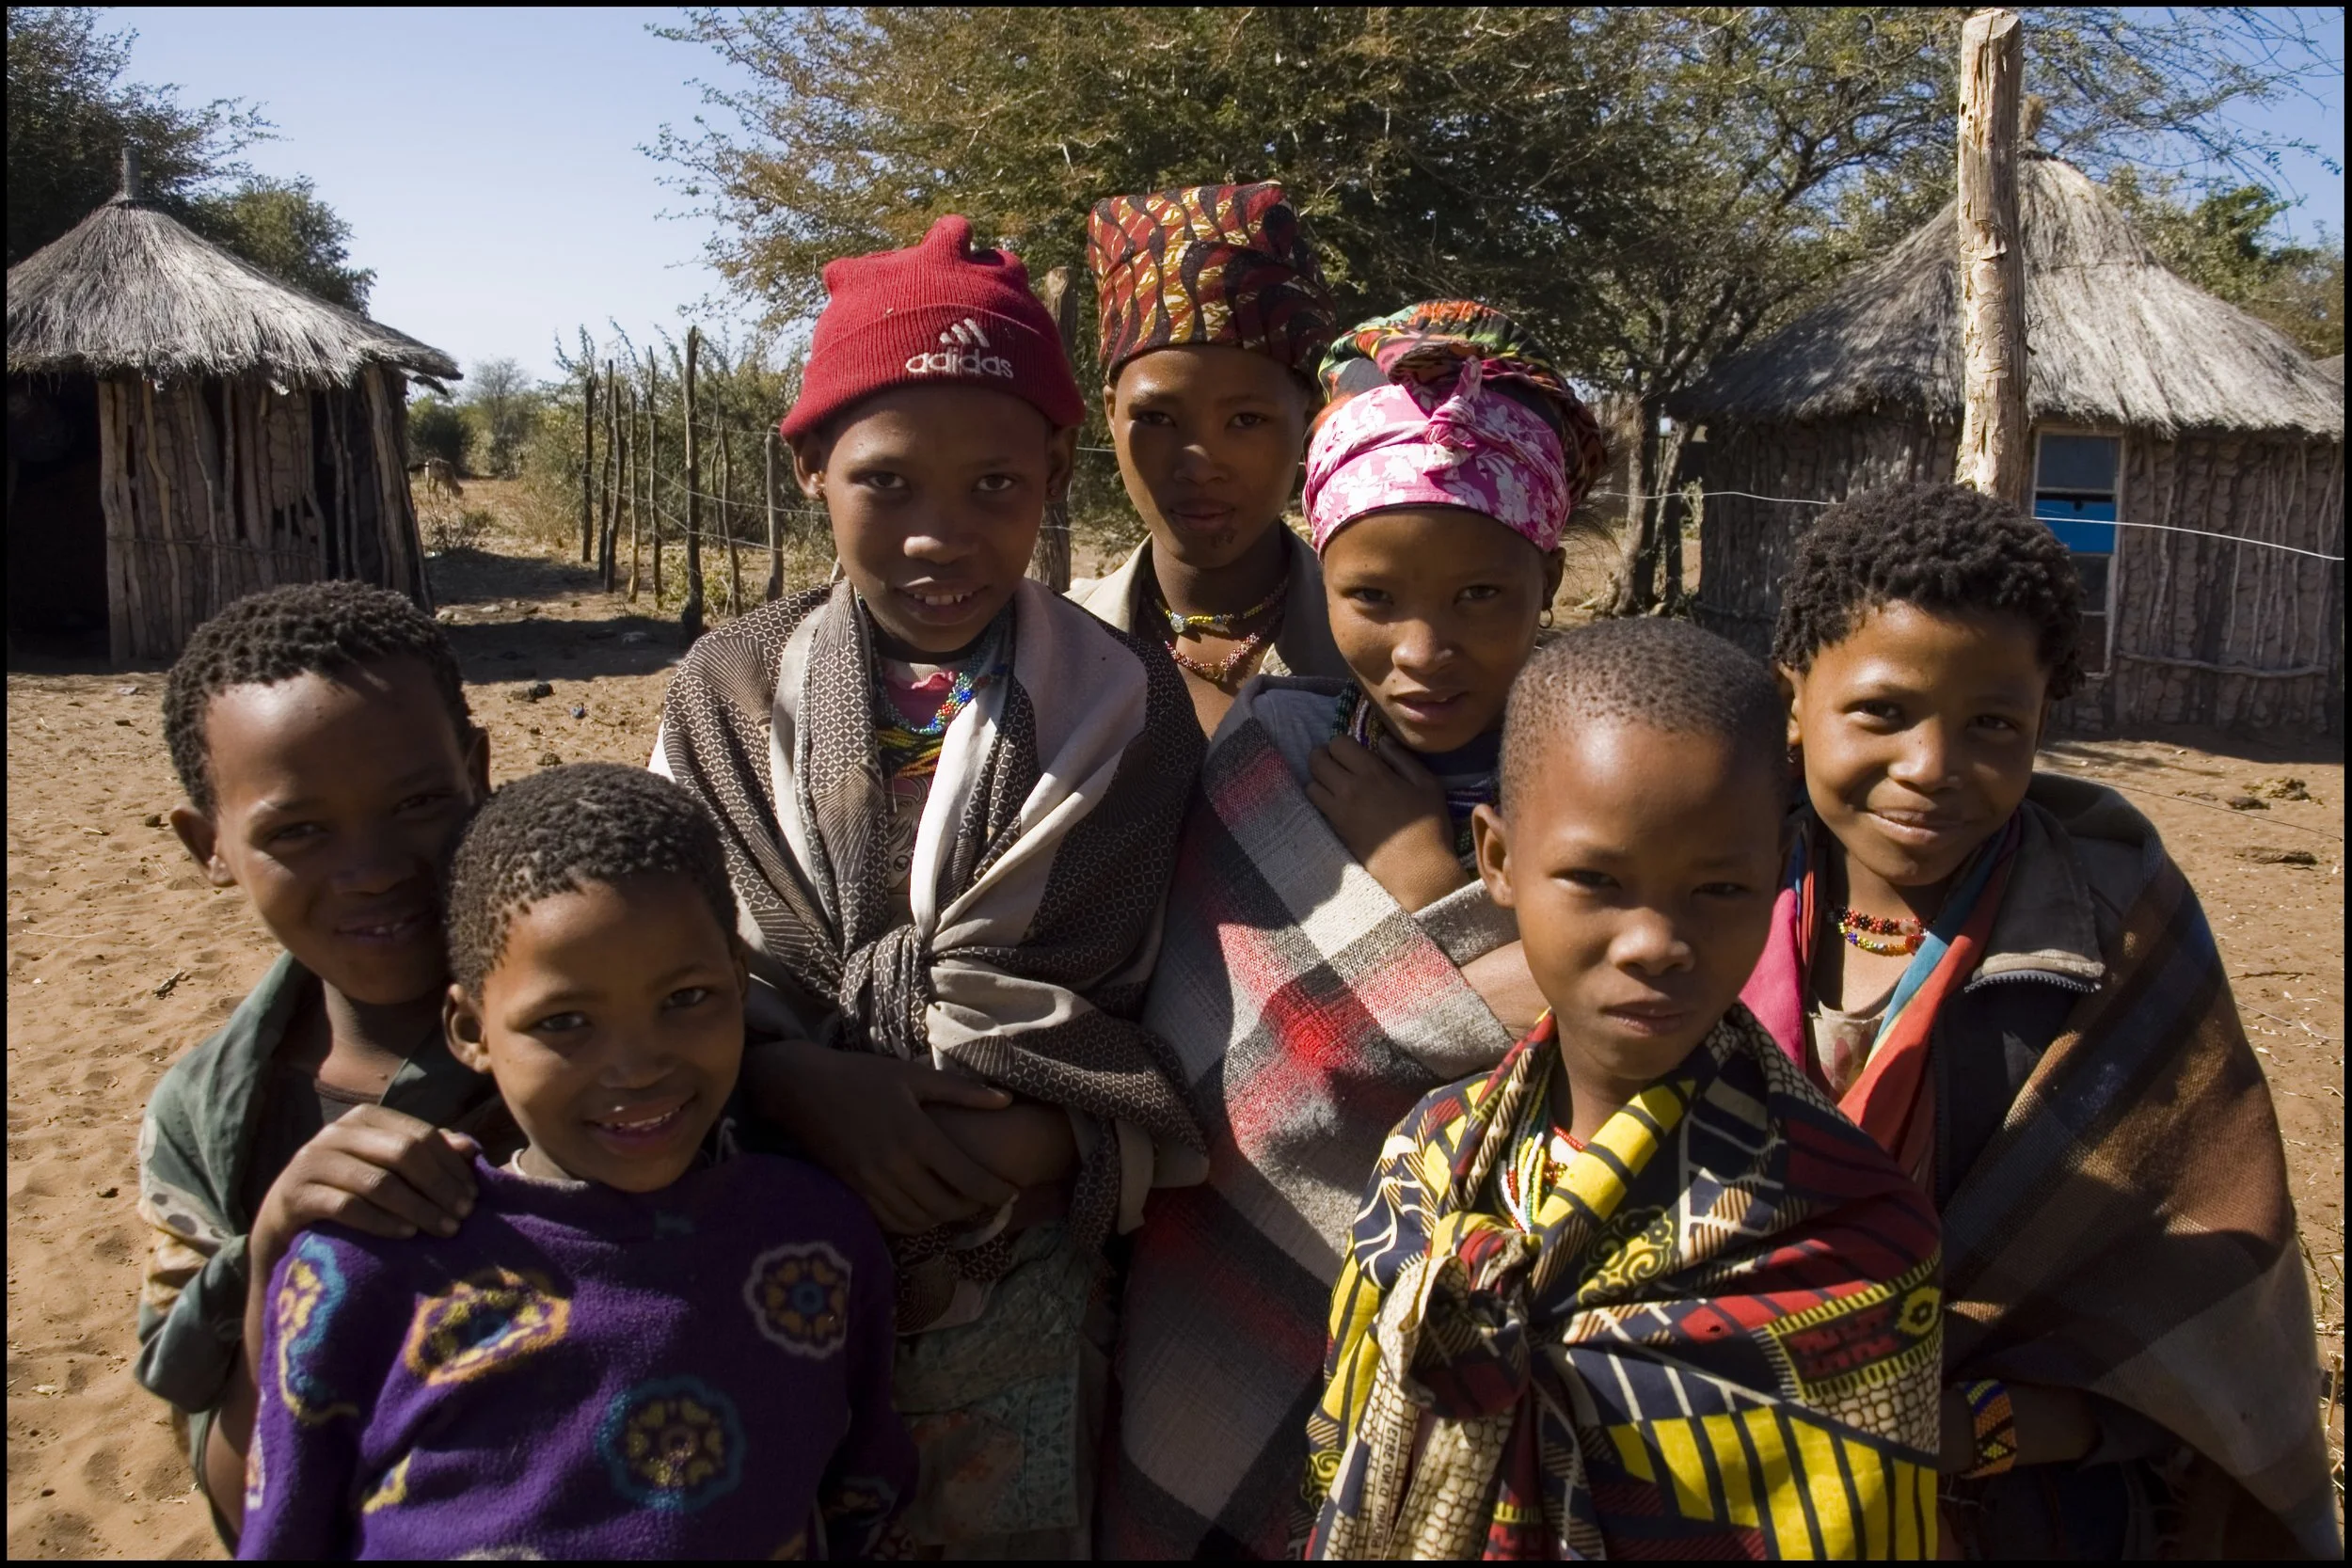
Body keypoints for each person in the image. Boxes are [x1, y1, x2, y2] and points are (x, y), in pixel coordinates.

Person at [654, 214, 1205, 1555]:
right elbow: (677, 959)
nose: (940, 537)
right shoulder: (726, 692)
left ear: (1056, 471)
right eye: (888, 484)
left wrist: (1023, 1139)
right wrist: (790, 1076)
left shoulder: (1127, 709)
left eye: (995, 488)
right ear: (808, 469)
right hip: (753, 1240)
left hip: (1013, 1264)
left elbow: (1130, 997)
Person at [1743, 483, 2340, 1558]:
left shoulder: (2111, 942)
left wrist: (1967, 1428)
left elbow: (2208, 1338)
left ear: (2041, 723)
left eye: (1992, 725)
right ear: (1796, 696)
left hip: (2012, 1511)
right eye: (1881, 711)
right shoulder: (1708, 893)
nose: (1931, 768)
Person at [1099, 303, 1610, 1558]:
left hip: (1495, 1349)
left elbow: (1625, 1058)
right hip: (1219, 1311)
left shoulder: (1606, 785)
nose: (1425, 648)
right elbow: (1203, 1051)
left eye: (1484, 592)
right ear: (1318, 582)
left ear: (1550, 577)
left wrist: (1435, 879)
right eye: (1372, 597)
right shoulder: (1269, 753)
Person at [1306, 619, 1947, 1560]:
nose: (1654, 941)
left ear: (1777, 869)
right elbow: (1346, 1449)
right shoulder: (1426, 1158)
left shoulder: (1849, 1234)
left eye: (1718, 888)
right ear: (1497, 860)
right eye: (1597, 879)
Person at [235, 764, 911, 1559]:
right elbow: (284, 1527)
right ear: (471, 1030)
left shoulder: (815, 1240)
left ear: (737, 977)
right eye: (564, 1022)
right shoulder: (372, 1267)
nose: (636, 1066)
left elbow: (864, 1487)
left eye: (685, 998)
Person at [134, 583, 511, 1542]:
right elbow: (233, 1494)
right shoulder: (210, 1120)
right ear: (207, 845)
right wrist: (270, 1256)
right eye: (299, 830)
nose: (375, 866)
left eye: (419, 802)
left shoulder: (613, 1024)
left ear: (478, 771)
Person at [1073, 181, 1350, 734]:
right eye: (1156, 418)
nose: (1199, 465)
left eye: (1246, 420)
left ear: (1311, 415)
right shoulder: (1051, 652)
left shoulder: (1385, 657)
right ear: (1110, 413)